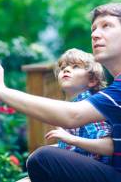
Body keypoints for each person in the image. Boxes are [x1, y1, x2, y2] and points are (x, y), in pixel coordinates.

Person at [0, 2, 121, 182]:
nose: (95, 34)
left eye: (106, 26)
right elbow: (115, 148)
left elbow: (72, 115)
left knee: (43, 158)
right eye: (94, 29)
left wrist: (1, 90)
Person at [18, 48, 113, 182]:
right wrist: (59, 147)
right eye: (63, 67)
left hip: (95, 174)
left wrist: (69, 139)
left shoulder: (89, 107)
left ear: (92, 80)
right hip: (80, 171)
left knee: (39, 160)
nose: (66, 70)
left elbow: (106, 147)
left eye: (75, 67)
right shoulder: (71, 106)